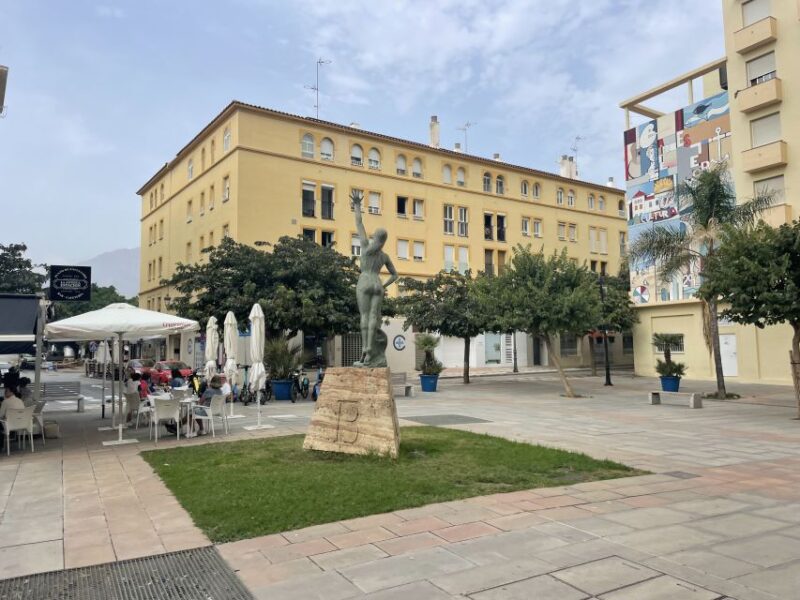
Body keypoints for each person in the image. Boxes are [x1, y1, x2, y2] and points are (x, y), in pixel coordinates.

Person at [351, 191, 398, 367]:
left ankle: (366, 351)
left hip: (364, 280)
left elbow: (358, 222)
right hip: (377, 283)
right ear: (384, 241)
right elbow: (395, 274)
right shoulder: (384, 256)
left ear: (374, 238)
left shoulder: (365, 247)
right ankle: (371, 353)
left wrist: (357, 204)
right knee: (373, 318)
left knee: (364, 316)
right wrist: (385, 285)